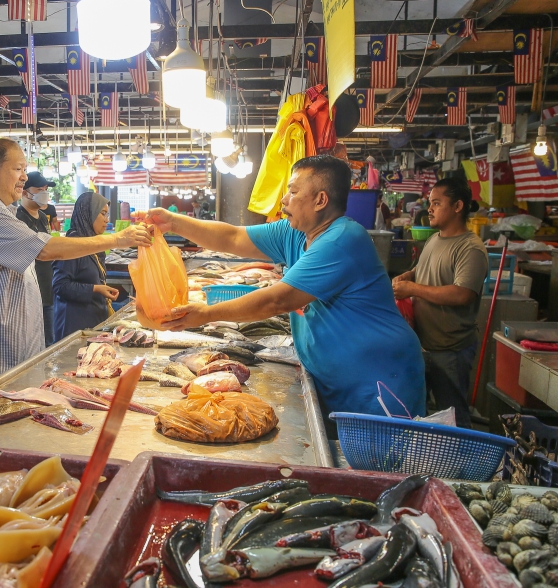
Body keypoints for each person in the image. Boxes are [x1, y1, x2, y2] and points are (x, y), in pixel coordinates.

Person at [148, 155, 426, 420]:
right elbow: (233, 238)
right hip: (336, 379)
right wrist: (173, 222)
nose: (284, 199)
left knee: (385, 465)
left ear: (320, 200)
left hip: (378, 381)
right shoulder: (294, 232)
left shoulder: (342, 239)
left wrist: (206, 313)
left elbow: (277, 301)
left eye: (293, 191)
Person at [0, 139, 151, 401]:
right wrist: (119, 239)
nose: (24, 177)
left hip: (3, 348)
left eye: (25, 169)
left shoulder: (2, 210)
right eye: (18, 169)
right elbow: (45, 249)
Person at [392, 177, 488, 429]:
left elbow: (462, 294)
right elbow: (423, 270)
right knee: (424, 415)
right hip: (424, 345)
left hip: (450, 350)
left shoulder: (470, 248)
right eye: (430, 203)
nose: (430, 209)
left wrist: (412, 288)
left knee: (454, 418)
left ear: (457, 206)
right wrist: (409, 276)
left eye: (436, 203)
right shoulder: (435, 239)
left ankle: (464, 465)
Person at [51, 191, 119, 340]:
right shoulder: (73, 244)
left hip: (92, 325)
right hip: (74, 329)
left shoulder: (92, 243)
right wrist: (95, 289)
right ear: (88, 213)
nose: (107, 220)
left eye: (107, 215)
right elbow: (60, 286)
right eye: (102, 213)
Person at [16, 171, 56, 347]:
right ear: (25, 192)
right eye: (39, 189)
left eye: (46, 189)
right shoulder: (18, 218)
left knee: (50, 342)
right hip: (29, 294)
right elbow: (40, 251)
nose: (44, 194)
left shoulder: (41, 216)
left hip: (47, 289)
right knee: (35, 345)